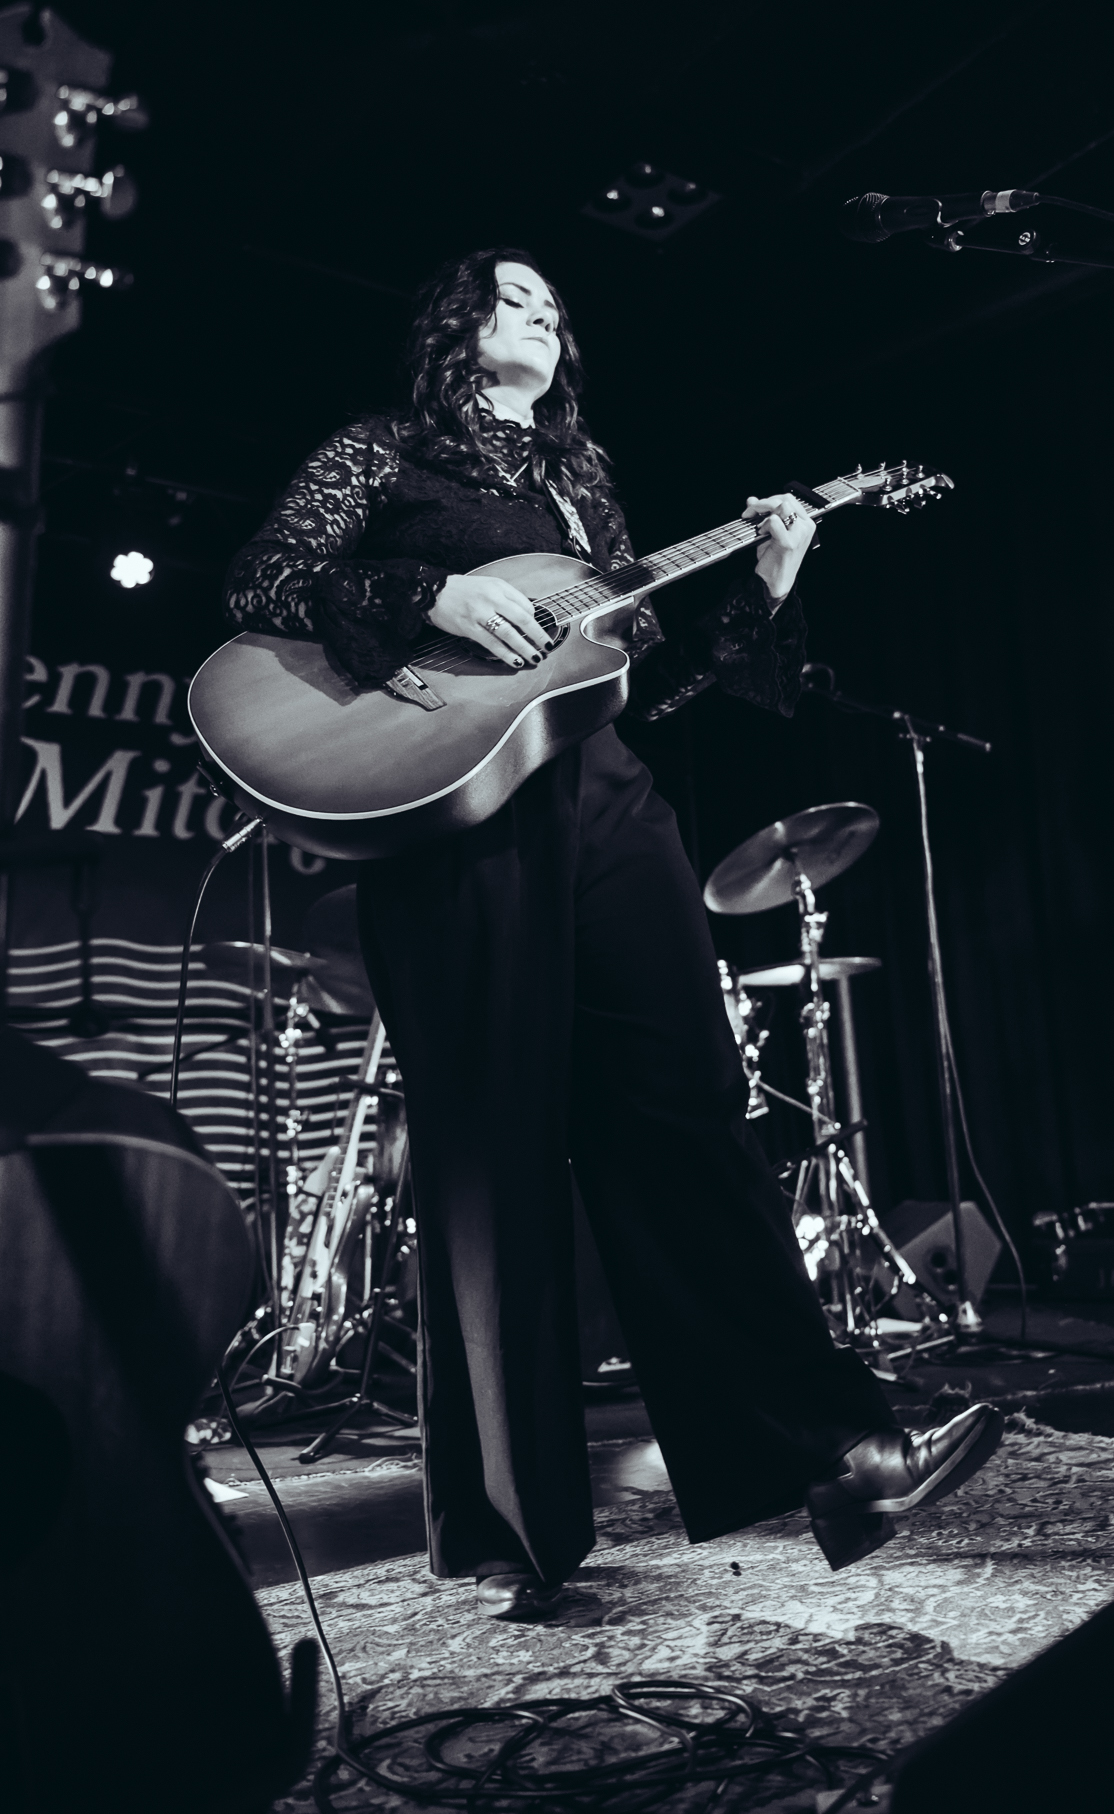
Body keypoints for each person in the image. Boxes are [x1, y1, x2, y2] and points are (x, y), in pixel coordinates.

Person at [224, 247, 1003, 1616]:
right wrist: (431, 595)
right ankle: (519, 1528)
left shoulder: (582, 490)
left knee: (691, 1110)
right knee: (495, 1153)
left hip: (603, 801)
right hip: (456, 818)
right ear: (457, 323)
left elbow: (644, 683)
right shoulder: (382, 452)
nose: (542, 311)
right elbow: (264, 584)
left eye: (553, 305)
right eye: (512, 294)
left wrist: (766, 584)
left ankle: (836, 1454)